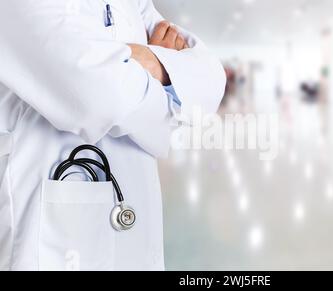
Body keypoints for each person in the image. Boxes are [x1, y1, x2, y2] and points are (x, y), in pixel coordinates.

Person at [0, 0, 225, 271]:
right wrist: (167, 67)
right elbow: (96, 97)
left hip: (137, 226)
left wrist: (136, 59)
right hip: (48, 235)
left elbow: (210, 79)